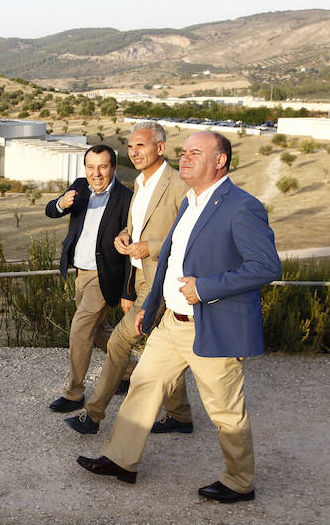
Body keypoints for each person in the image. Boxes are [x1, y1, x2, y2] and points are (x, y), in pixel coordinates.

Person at [77, 131, 281, 504]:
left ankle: (240, 481)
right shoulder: (190, 201)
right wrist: (151, 307)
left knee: (225, 411)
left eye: (196, 153)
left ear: (220, 161)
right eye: (184, 152)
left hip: (213, 325)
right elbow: (169, 260)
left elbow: (266, 266)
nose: (184, 158)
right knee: (143, 383)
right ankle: (121, 460)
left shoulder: (241, 206)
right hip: (172, 322)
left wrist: (205, 288)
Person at [65, 122, 192, 435]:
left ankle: (93, 414)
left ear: (160, 148)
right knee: (168, 350)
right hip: (141, 280)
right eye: (131, 146)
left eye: (142, 146)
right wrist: (124, 237)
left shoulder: (178, 184)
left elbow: (190, 236)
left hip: (163, 283)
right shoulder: (140, 184)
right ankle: (180, 415)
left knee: (119, 343)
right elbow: (135, 227)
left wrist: (149, 247)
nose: (134, 152)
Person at [45, 144, 132, 413]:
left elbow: (130, 245)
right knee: (98, 331)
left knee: (80, 330)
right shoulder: (80, 187)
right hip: (80, 274)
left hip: (104, 276)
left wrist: (128, 290)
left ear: (113, 168)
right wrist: (61, 203)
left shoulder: (126, 197)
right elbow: (51, 210)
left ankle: (74, 393)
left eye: (103, 166)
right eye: (91, 167)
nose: (96, 173)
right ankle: (129, 371)